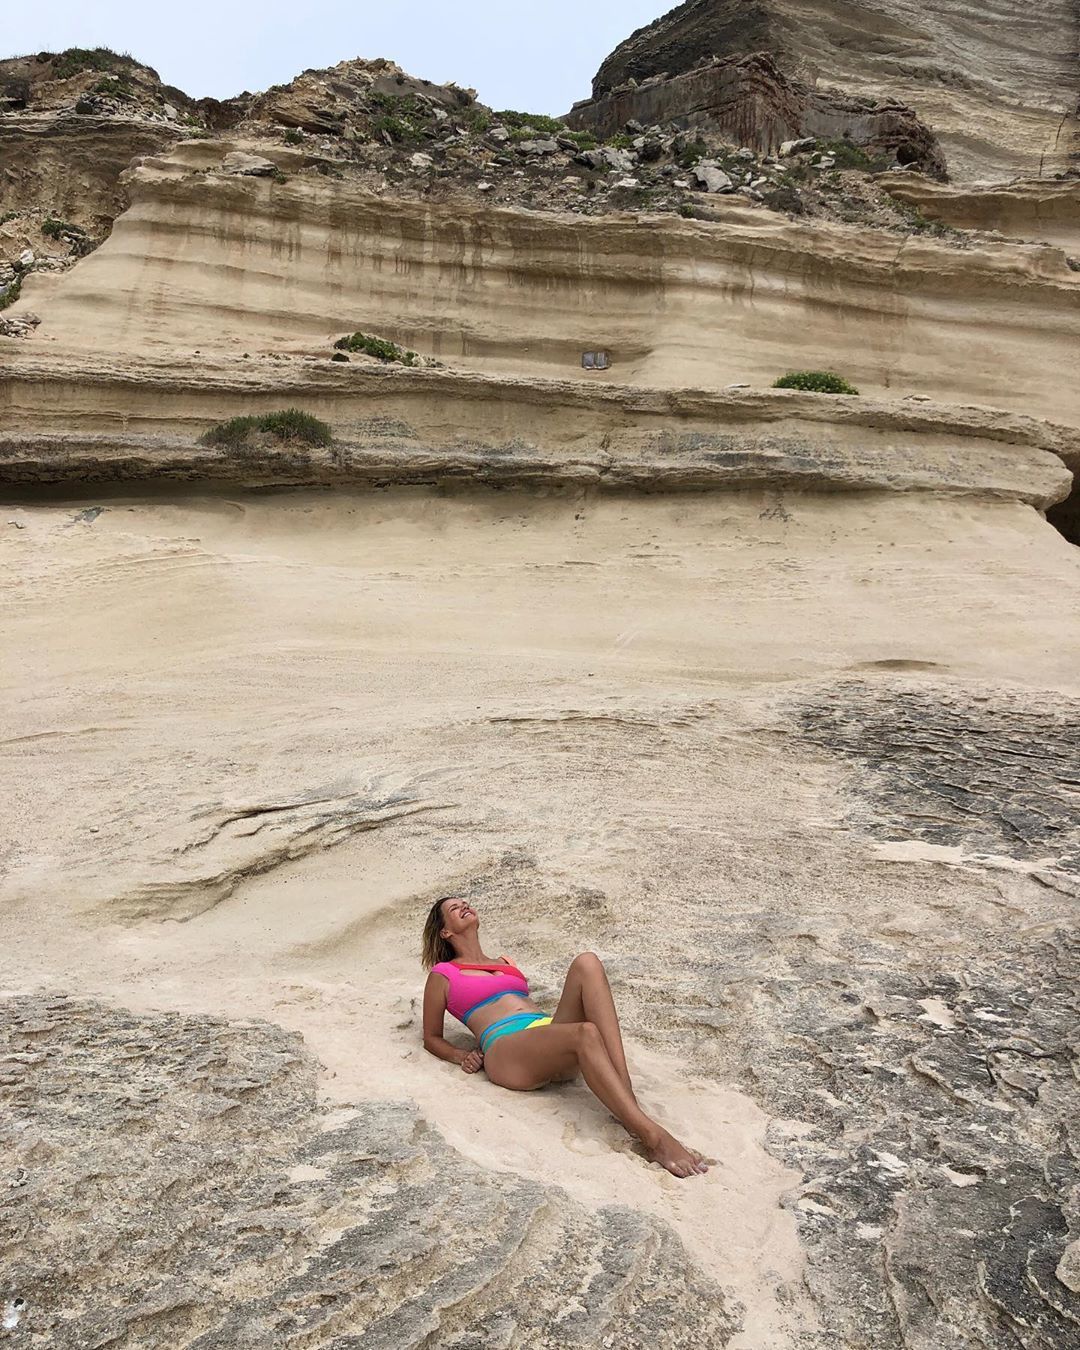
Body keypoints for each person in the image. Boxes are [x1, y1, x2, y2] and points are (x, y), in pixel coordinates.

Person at [421, 895, 709, 1179]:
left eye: (465, 902)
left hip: (546, 1034)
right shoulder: (443, 974)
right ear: (445, 931)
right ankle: (653, 1138)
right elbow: (431, 1037)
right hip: (506, 1049)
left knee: (587, 962)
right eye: (454, 908)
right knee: (586, 1032)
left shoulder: (505, 961)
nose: (464, 906)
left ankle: (627, 1098)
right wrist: (461, 1055)